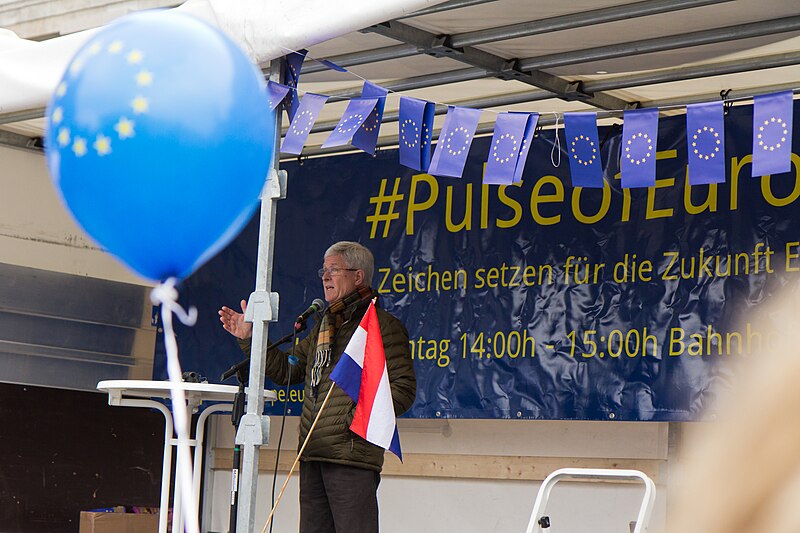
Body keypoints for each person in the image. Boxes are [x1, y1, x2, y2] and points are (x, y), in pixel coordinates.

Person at [219, 241, 416, 533]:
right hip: (312, 452)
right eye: (323, 270)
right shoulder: (324, 325)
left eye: (333, 270)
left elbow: (403, 388)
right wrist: (251, 339)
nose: (324, 277)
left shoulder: (382, 327)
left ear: (358, 276)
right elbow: (289, 371)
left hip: (351, 456)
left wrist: (354, 421)